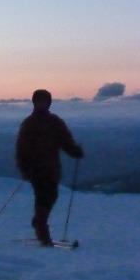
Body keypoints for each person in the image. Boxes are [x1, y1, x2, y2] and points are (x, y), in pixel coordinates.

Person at [15, 89, 84, 246]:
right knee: (43, 197)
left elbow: (65, 141)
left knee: (51, 196)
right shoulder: (29, 123)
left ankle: (39, 221)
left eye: (44, 101)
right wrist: (24, 168)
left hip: (52, 168)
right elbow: (21, 148)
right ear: (34, 102)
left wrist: (74, 151)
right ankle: (42, 231)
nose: (42, 104)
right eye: (39, 101)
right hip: (35, 169)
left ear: (49, 103)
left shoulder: (55, 122)